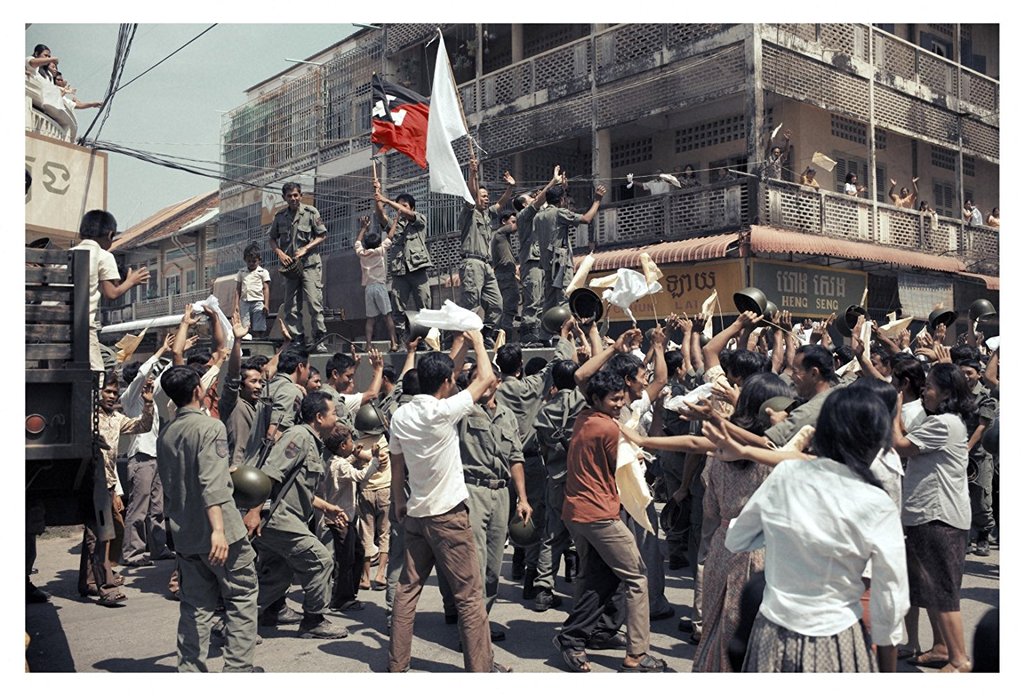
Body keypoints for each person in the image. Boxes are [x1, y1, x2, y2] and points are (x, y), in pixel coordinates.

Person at [725, 388, 910, 672]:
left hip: (772, 634)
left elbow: (737, 538)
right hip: (837, 639)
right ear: (877, 438)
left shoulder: (785, 476)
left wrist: (780, 531)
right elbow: (891, 598)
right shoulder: (877, 501)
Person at [388, 330, 510, 673]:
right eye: (452, 378)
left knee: (407, 591)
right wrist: (477, 341)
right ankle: (480, 669)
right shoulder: (443, 412)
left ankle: (397, 664)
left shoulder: (402, 415)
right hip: (449, 516)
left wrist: (400, 502)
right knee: (470, 598)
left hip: (416, 512)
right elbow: (485, 378)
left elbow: (398, 467)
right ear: (445, 382)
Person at [553, 369, 667, 673]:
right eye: (614, 399)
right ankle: (637, 655)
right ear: (596, 398)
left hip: (577, 512)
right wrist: (637, 455)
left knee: (599, 579)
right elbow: (625, 463)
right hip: (599, 515)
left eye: (621, 398)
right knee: (637, 577)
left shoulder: (584, 418)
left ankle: (573, 637)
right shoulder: (607, 430)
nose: (620, 403)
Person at [156, 365, 259, 672]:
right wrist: (218, 530)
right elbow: (210, 484)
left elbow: (183, 479)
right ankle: (238, 671)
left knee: (195, 606)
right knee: (241, 598)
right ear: (197, 392)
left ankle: (189, 671)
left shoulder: (167, 432)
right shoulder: (209, 427)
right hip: (219, 531)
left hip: (186, 533)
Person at [436, 357, 533, 641]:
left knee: (492, 568)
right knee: (474, 565)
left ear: (498, 382)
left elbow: (516, 458)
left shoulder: (507, 415)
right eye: (476, 378)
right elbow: (450, 384)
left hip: (502, 494)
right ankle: (470, 632)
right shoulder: (463, 411)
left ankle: (480, 621)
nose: (483, 383)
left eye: (487, 378)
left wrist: (522, 499)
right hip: (472, 491)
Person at [890, 362, 975, 672]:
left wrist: (894, 407)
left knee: (943, 591)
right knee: (929, 588)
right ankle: (941, 648)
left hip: (939, 517)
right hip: (928, 515)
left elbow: (899, 445)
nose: (925, 391)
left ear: (947, 392)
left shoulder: (944, 424)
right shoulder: (941, 421)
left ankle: (959, 659)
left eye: (930, 386)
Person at [254, 391, 350, 639]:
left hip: (288, 518)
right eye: (333, 414)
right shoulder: (298, 437)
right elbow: (270, 475)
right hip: (278, 519)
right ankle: (314, 620)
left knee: (278, 571)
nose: (337, 418)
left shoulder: (312, 441)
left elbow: (298, 487)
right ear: (319, 417)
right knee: (320, 561)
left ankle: (261, 613)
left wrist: (326, 507)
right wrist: (254, 514)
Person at [80, 372, 154, 606]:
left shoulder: (116, 418)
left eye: (115, 392)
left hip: (109, 483)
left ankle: (88, 582)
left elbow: (143, 425)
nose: (112, 396)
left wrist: (148, 402)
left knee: (102, 533)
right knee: (100, 536)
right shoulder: (88, 417)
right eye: (108, 391)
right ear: (98, 393)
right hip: (92, 482)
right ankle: (107, 587)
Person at [119, 334, 175, 568]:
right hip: (141, 458)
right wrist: (161, 350)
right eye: (147, 378)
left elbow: (165, 377)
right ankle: (133, 552)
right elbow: (143, 373)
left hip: (156, 456)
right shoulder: (130, 398)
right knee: (138, 508)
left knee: (157, 508)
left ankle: (158, 548)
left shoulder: (150, 396)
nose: (150, 380)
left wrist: (174, 353)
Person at [72, 210, 150, 374]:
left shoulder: (69, 253)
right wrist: (131, 282)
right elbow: (111, 293)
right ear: (110, 234)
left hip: (55, 324)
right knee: (97, 373)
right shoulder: (103, 256)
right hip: (82, 326)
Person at [319, 423, 381, 612]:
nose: (353, 444)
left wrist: (354, 456)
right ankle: (342, 598)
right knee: (346, 560)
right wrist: (376, 461)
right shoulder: (340, 465)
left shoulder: (335, 462)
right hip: (341, 519)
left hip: (345, 518)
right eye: (350, 442)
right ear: (342, 446)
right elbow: (360, 476)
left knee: (356, 553)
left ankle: (347, 594)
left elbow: (346, 469)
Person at [457, 160, 514, 347]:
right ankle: (466, 340)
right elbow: (470, 196)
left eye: (487, 195)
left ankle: (486, 332)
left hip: (487, 266)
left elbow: (501, 203)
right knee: (471, 305)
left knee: (497, 303)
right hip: (472, 262)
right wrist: (473, 174)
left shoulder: (487, 215)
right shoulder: (469, 214)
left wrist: (510, 188)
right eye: (483, 195)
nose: (486, 198)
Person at [534, 180, 607, 322]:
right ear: (561, 200)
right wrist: (597, 200)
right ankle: (567, 333)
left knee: (549, 300)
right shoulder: (559, 213)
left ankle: (545, 333)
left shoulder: (539, 216)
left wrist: (563, 189)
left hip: (547, 263)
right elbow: (586, 219)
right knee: (565, 297)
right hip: (560, 262)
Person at [268, 182, 328, 353]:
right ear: (284, 198)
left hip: (309, 264)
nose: (293, 199)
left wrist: (306, 248)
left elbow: (322, 234)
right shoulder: (280, 217)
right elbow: (272, 239)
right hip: (291, 267)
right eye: (289, 196)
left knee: (314, 302)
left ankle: (319, 338)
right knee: (291, 306)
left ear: (301, 196)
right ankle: (297, 338)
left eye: (296, 195)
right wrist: (279, 253)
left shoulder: (310, 213)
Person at [512, 166, 561, 345]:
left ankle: (541, 333)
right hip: (531, 262)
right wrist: (552, 183)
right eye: (530, 198)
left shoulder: (538, 217)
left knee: (543, 300)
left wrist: (558, 190)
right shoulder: (524, 216)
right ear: (524, 205)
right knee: (533, 299)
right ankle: (528, 334)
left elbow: (549, 206)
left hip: (540, 262)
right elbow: (539, 201)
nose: (534, 199)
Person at [373, 188, 433, 331]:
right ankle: (401, 339)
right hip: (399, 271)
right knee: (398, 308)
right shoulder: (394, 226)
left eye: (404, 206)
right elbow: (380, 215)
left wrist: (387, 200)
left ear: (412, 207)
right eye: (398, 205)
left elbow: (409, 215)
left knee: (424, 306)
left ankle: (425, 340)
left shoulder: (419, 219)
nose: (399, 209)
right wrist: (378, 194)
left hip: (418, 269)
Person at [354, 214, 399, 352]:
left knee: (370, 319)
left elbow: (357, 242)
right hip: (380, 287)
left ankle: (368, 344)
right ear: (379, 243)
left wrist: (363, 228)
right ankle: (393, 343)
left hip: (368, 288)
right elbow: (390, 237)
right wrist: (395, 221)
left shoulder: (362, 253)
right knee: (387, 316)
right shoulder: (380, 251)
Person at [491, 212, 520, 339]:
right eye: (512, 222)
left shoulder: (503, 239)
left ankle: (498, 334)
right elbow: (520, 224)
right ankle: (503, 336)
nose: (514, 225)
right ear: (504, 222)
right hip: (505, 275)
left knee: (505, 308)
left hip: (506, 275)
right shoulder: (501, 233)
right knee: (510, 307)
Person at [235, 243, 271, 339]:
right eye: (249, 261)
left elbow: (266, 288)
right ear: (245, 260)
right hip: (244, 302)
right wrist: (236, 305)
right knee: (245, 325)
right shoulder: (241, 272)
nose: (251, 263)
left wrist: (266, 304)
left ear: (259, 260)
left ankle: (259, 342)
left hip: (258, 301)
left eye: (254, 261)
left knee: (259, 325)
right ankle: (246, 343)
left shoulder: (263, 272)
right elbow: (238, 290)